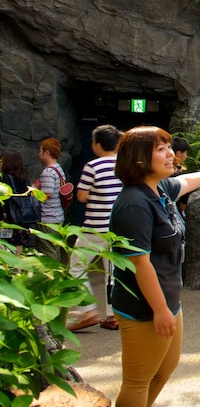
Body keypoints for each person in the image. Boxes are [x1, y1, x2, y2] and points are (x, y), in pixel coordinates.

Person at [109, 126, 200, 407]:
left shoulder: (160, 188)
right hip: (144, 306)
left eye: (169, 147)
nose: (171, 154)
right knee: (137, 380)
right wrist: (159, 309)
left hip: (168, 299)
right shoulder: (134, 203)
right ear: (140, 159)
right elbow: (140, 263)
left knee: (163, 370)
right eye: (161, 149)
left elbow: (186, 181)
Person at [68, 124, 125, 332]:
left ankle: (87, 311)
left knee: (76, 267)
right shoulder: (124, 166)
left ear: (98, 144)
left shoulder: (93, 166)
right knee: (112, 272)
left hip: (94, 228)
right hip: (117, 228)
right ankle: (113, 315)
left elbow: (82, 196)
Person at [35, 137, 68, 264]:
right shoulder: (58, 169)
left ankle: (51, 277)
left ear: (47, 152)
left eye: (40, 151)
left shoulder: (48, 172)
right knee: (55, 249)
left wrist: (33, 191)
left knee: (48, 250)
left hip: (48, 218)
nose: (39, 154)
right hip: (57, 215)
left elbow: (47, 194)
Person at [1, 150, 39, 254]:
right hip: (22, 218)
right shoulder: (24, 178)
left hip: (8, 218)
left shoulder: (5, 178)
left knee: (4, 247)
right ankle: (18, 268)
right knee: (19, 247)